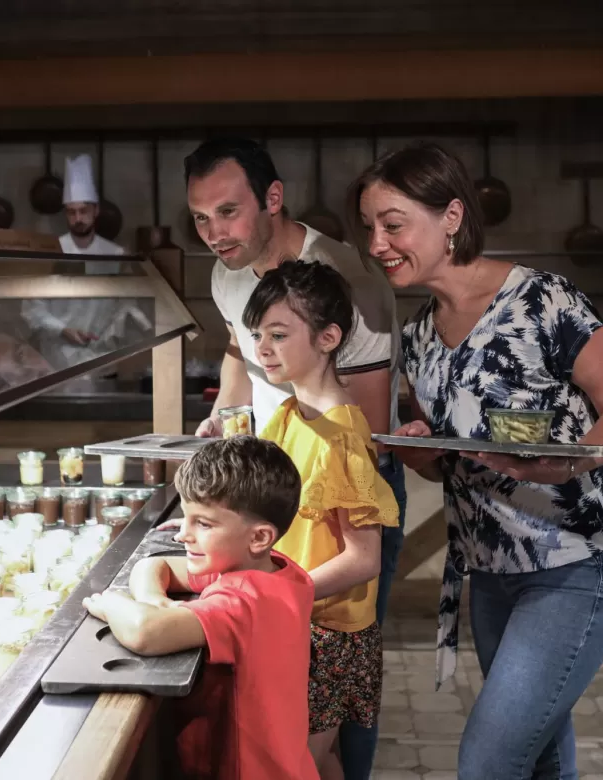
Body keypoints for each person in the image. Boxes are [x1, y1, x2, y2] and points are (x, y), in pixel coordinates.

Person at [350, 141, 603, 780]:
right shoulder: (420, 332)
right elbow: (449, 461)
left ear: (452, 216)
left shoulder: (545, 300)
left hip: (575, 562)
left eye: (393, 224)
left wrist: (575, 460)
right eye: (370, 227)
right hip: (488, 571)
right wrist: (415, 448)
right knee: (539, 754)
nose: (377, 243)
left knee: (488, 761)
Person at [184, 138, 406, 778]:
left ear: (272, 199)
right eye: (200, 218)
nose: (214, 234)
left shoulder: (345, 283)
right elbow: (236, 349)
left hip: (333, 492)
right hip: (281, 476)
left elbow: (361, 429)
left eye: (228, 213)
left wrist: (278, 585)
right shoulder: (227, 275)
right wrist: (227, 420)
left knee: (325, 731)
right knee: (290, 728)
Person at [84, 436, 319, 780]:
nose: (182, 535)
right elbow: (153, 567)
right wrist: (154, 601)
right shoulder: (277, 570)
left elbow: (144, 632)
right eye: (185, 517)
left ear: (259, 537)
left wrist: (110, 603)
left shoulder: (242, 603)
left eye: (203, 524)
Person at [244, 260, 399, 779]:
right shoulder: (287, 415)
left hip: (329, 632)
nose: (263, 348)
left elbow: (365, 557)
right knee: (321, 758)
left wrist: (284, 592)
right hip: (297, 619)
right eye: (258, 334)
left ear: (328, 337)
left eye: (279, 334)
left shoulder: (342, 438)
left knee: (296, 764)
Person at [22, 154, 150, 374]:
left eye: (84, 211)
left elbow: (127, 303)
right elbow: (32, 308)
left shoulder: (116, 254)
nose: (78, 218)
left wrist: (112, 332)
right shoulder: (51, 251)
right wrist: (63, 329)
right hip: (56, 359)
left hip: (103, 357)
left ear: (96, 211)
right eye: (72, 212)